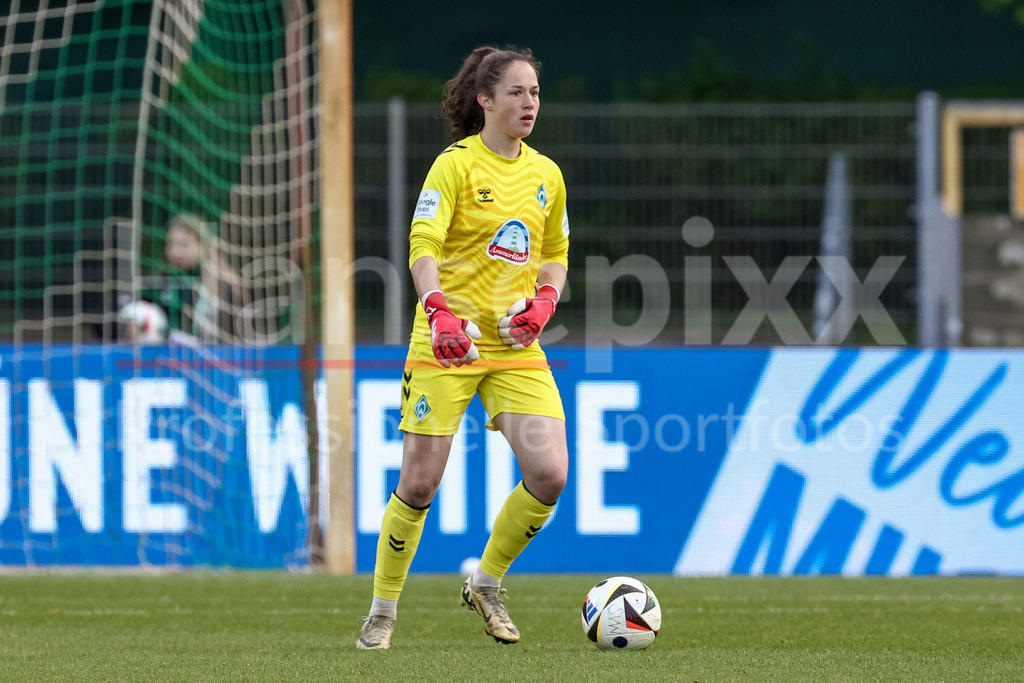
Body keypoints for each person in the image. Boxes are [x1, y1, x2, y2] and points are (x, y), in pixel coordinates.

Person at [357, 46, 570, 650]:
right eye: (516, 93)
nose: (529, 103)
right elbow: (422, 242)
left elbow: (554, 252)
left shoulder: (546, 174)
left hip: (514, 346)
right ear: (485, 99)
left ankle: (486, 582)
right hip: (446, 342)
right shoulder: (454, 166)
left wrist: (546, 303)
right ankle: (382, 610)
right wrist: (439, 310)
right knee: (421, 483)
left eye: (534, 93)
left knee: (550, 475)